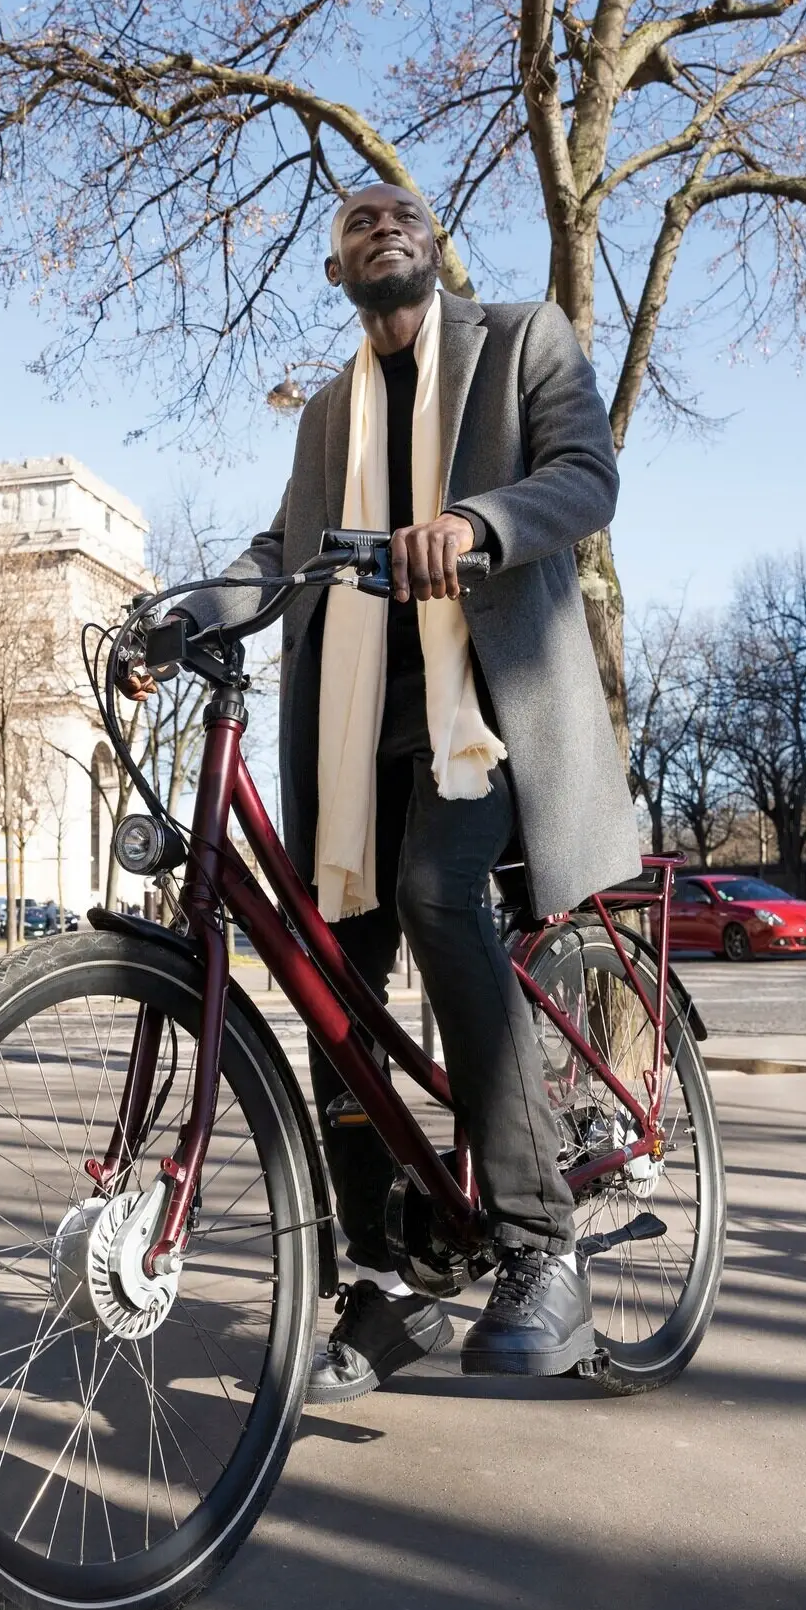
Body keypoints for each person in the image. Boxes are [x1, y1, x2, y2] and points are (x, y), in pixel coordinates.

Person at [146, 184, 641, 1402]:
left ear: (429, 247)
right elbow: (282, 552)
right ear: (336, 269)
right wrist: (186, 610)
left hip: (486, 722)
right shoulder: (328, 415)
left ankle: (538, 1245)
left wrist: (476, 521)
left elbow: (585, 476)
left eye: (401, 210)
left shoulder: (521, 340)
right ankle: (381, 1279)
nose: (383, 221)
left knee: (435, 892)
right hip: (358, 736)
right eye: (358, 218)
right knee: (330, 972)